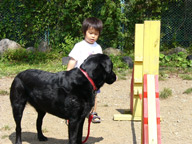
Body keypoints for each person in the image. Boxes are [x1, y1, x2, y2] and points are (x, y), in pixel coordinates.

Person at [67, 17, 103, 123]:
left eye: (96, 34)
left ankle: (92, 113)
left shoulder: (98, 48)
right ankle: (72, 114)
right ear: (84, 32)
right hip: (79, 78)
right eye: (90, 33)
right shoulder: (79, 46)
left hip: (92, 80)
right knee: (76, 97)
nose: (93, 36)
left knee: (94, 95)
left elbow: (100, 64)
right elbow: (73, 60)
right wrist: (69, 71)